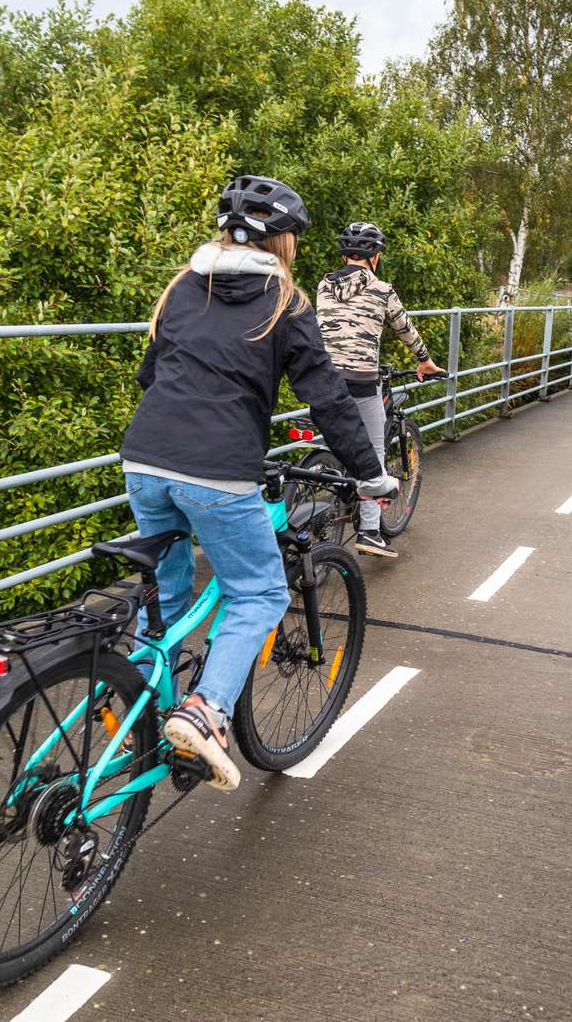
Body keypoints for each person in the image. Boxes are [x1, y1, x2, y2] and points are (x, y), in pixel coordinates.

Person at [120, 175, 395, 792]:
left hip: (144, 460)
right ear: (284, 242)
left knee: (166, 594)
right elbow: (327, 397)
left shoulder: (181, 287)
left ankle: (134, 701)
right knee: (259, 593)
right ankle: (206, 711)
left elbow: (151, 376)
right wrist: (370, 475)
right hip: (217, 470)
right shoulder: (284, 302)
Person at [316, 221, 442, 558]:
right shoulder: (382, 289)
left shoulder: (324, 286)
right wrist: (425, 361)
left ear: (344, 255)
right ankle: (370, 532)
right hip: (360, 381)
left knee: (337, 438)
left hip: (323, 380)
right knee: (373, 453)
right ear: (375, 257)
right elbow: (404, 328)